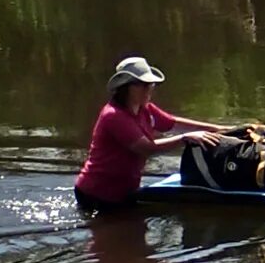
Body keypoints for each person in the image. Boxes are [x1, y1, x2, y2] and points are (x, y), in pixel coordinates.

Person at [73, 56, 231, 214]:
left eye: (151, 84)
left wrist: (223, 129)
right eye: (144, 85)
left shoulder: (145, 108)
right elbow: (146, 148)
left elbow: (174, 124)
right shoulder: (114, 115)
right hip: (96, 195)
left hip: (124, 193)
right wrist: (186, 138)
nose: (150, 88)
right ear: (127, 87)